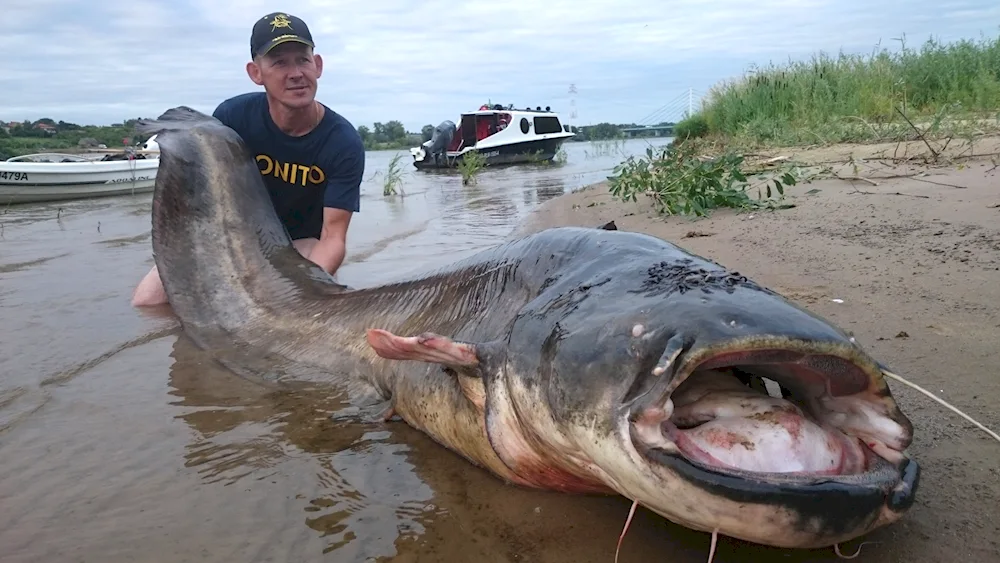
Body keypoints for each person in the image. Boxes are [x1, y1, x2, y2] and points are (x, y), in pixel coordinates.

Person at [131, 11, 365, 307]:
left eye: (302, 60)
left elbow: (333, 236)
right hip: (232, 238)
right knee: (148, 303)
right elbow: (201, 200)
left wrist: (301, 295)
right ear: (256, 73)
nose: (295, 73)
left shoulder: (343, 142)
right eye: (279, 62)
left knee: (292, 306)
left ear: (317, 66)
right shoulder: (232, 118)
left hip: (297, 246)